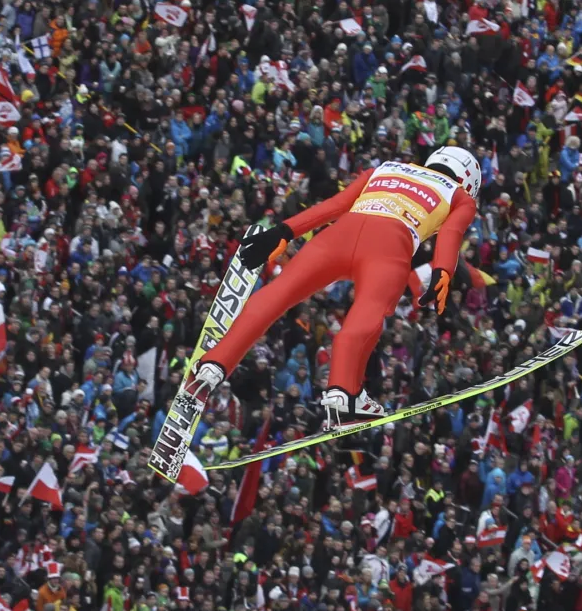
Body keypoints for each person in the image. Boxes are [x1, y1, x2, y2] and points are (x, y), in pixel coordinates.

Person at [185, 146, 481, 425]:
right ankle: (343, 391)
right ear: (469, 180)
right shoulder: (461, 196)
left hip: (338, 235)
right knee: (367, 315)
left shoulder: (386, 168)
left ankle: (214, 364)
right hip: (389, 245)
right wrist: (443, 270)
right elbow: (451, 233)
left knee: (277, 295)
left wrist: (284, 231)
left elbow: (335, 205)